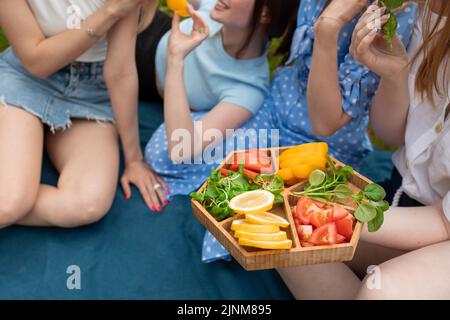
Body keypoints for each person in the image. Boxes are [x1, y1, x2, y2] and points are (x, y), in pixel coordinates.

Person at [201, 0, 417, 263]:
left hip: (319, 144)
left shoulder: (391, 15)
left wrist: (328, 29)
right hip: (275, 110)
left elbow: (324, 124)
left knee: (258, 224)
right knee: (194, 167)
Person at [278, 0, 450, 299]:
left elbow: (441, 223)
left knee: (381, 289)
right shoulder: (426, 13)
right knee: (282, 225)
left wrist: (341, 208)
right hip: (405, 200)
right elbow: (391, 135)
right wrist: (395, 74)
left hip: (441, 229)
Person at [0, 0, 162, 228]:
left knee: (86, 204)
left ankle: (14, 192)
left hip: (91, 92)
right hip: (26, 77)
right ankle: (13, 195)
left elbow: (120, 71)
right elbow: (37, 62)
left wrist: (134, 159)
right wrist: (110, 11)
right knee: (10, 202)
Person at [143, 0, 299, 206]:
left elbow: (181, 148)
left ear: (264, 15)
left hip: (146, 84)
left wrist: (176, 59)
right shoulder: (217, 8)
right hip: (146, 31)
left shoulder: (248, 88)